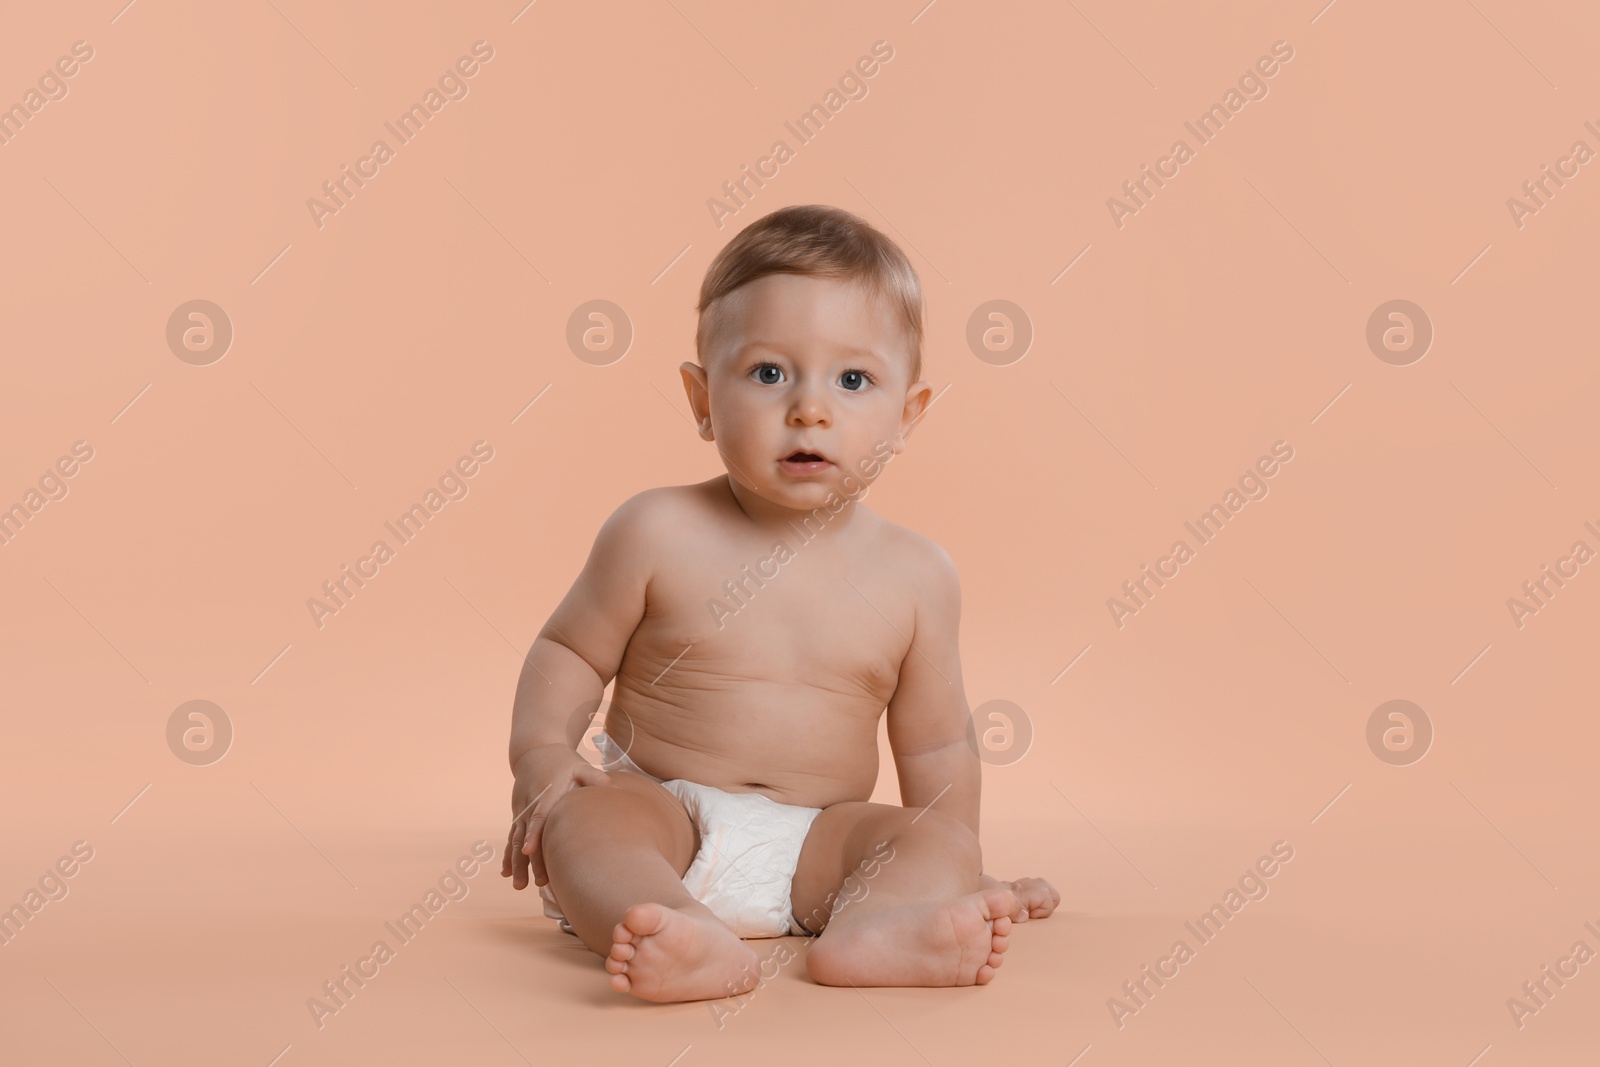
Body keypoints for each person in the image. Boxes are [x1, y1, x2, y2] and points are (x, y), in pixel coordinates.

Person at [501, 204, 1058, 1002]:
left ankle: (877, 928)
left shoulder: (918, 574)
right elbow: (568, 653)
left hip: (819, 845)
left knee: (926, 836)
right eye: (768, 373)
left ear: (907, 417)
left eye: (853, 379)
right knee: (586, 823)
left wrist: (957, 860)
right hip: (663, 815)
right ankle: (669, 921)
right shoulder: (655, 529)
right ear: (701, 399)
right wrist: (542, 758)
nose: (810, 408)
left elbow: (937, 749)